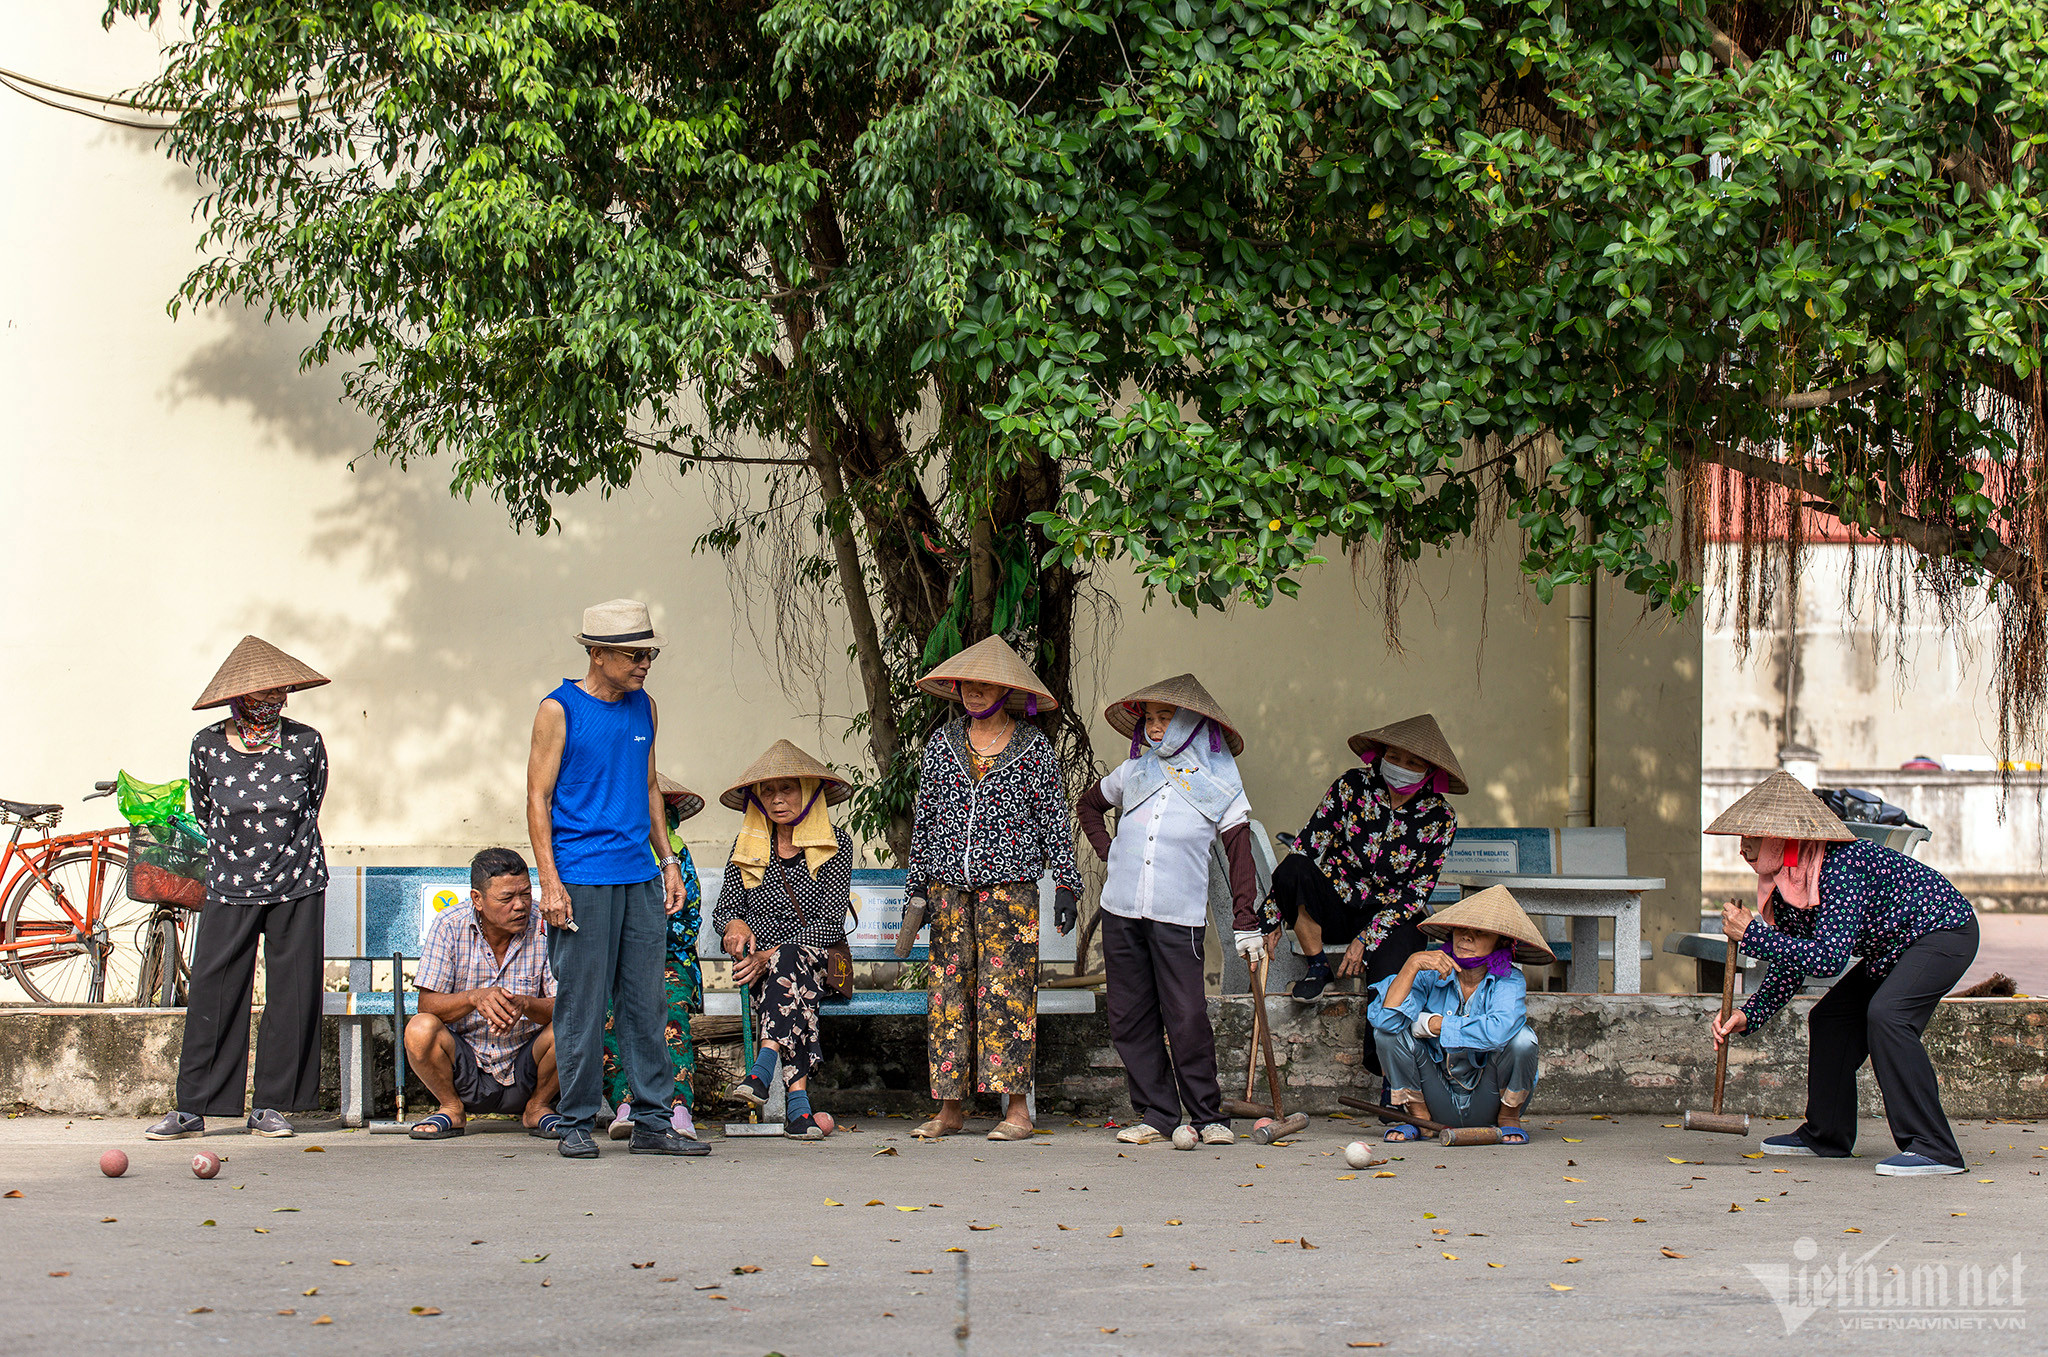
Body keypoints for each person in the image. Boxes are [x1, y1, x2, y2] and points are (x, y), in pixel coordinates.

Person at [1707, 771, 1980, 1176]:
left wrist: (1753, 935)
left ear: (1783, 839)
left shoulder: (1839, 866)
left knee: (1889, 1016)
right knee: (1831, 1019)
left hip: (1943, 932)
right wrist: (1750, 1014)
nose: (1743, 847)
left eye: (1754, 837)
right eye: (1742, 837)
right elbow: (1792, 963)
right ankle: (1827, 1135)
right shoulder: (1785, 882)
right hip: (1893, 949)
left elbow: (1828, 960)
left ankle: (1935, 1147)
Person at [525, 599, 704, 1159]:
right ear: (597, 654)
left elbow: (649, 787)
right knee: (581, 1001)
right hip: (580, 875)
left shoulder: (645, 707)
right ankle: (576, 1120)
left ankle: (653, 1121)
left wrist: (668, 862)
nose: (644, 663)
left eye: (647, 653)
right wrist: (549, 882)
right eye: (632, 654)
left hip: (640, 875)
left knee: (646, 1001)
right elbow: (538, 797)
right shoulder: (559, 709)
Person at [147, 637, 331, 1141]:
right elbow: (205, 811)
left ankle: (274, 1104)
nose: (273, 699)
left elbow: (310, 804)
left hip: (296, 878)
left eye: (280, 690)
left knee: (292, 995)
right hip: (228, 882)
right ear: (240, 696)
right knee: (215, 987)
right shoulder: (206, 745)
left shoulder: (306, 742)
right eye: (262, 692)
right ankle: (194, 1107)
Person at [905, 635, 1082, 1141]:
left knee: (1008, 996)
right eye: (967, 685)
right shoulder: (941, 745)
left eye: (985, 685)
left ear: (1006, 691)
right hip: (947, 891)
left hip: (1010, 891)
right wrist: (918, 888)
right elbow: (926, 822)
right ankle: (949, 1108)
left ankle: (1018, 1110)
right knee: (947, 996)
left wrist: (1067, 884)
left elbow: (1053, 821)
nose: (974, 693)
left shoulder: (1034, 749)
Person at [1077, 675, 1266, 1147]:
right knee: (1129, 1016)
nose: (1156, 727)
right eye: (1152, 719)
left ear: (1192, 724)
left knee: (1186, 1015)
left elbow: (1239, 853)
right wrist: (1108, 851)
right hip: (1121, 911)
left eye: (1167, 718)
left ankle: (1206, 1116)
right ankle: (1157, 1115)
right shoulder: (1133, 771)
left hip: (1177, 916)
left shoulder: (1221, 783)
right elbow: (1088, 806)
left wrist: (1247, 920)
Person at [1269, 715, 1464, 1050]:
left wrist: (1366, 938)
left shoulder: (1440, 818)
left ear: (1430, 770)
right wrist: (1273, 913)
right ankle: (1318, 967)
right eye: (1395, 757)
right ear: (1381, 754)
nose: (1401, 766)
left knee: (1393, 977)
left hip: (1388, 919)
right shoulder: (1351, 786)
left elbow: (1416, 894)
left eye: (1413, 762)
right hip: (1335, 905)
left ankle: (1388, 1077)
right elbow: (1307, 844)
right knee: (1294, 868)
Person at [711, 741, 853, 1141]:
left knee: (790, 961)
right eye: (768, 792)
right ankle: (798, 1108)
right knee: (791, 984)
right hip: (768, 972)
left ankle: (762, 1067)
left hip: (817, 959)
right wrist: (735, 924)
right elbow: (724, 910)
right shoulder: (747, 847)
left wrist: (768, 955)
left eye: (787, 789)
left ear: (808, 793)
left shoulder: (835, 845)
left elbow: (829, 923)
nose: (777, 800)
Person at [1366, 886, 1551, 1143]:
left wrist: (1433, 1024)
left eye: (1480, 932)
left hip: (1487, 1100)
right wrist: (1412, 965)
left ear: (1502, 942)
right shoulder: (1429, 974)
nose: (1466, 938)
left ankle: (1509, 1117)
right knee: (1386, 1034)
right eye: (1462, 929)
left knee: (1523, 1039)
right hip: (1435, 1099)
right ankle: (1419, 1120)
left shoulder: (1510, 981)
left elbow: (1498, 1032)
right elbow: (1385, 1022)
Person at [404, 848, 561, 1139]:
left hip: (527, 1063)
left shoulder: (545, 924)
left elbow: (563, 1005)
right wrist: (474, 997)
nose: (520, 906)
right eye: (507, 898)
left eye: (525, 894)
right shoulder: (450, 924)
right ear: (478, 899)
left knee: (572, 1026)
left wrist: (525, 1004)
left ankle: (537, 1107)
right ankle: (451, 1108)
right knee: (419, 1029)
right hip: (466, 1064)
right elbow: (426, 1004)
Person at [600, 773, 706, 1141]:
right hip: (616, 961)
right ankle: (627, 1105)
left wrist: (642, 937)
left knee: (669, 1007)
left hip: (669, 961)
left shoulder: (676, 858)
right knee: (611, 1007)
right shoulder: (605, 853)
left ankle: (677, 1109)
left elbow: (688, 924)